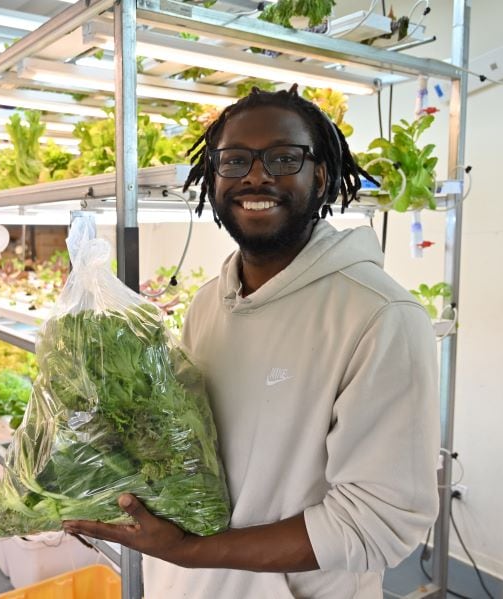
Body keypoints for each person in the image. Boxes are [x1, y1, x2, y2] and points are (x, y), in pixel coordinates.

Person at [63, 85, 440, 598]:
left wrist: (190, 551)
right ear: (214, 177)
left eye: (284, 158)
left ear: (321, 175)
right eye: (235, 160)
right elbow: (186, 450)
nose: (257, 176)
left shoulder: (379, 316)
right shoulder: (206, 303)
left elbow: (380, 521)